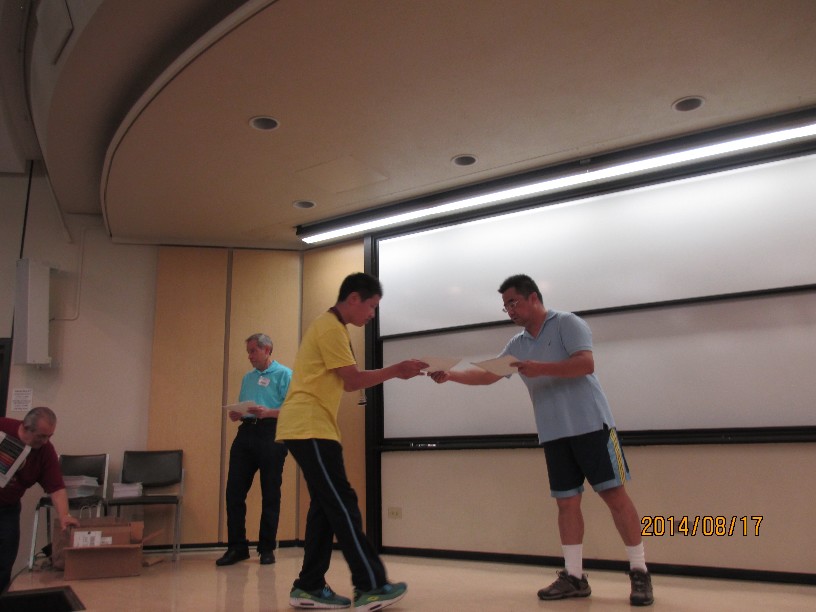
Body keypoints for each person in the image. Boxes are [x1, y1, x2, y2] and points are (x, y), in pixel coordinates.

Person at [430, 274, 654, 606]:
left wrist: (542, 368)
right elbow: (487, 375)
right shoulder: (517, 344)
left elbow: (586, 364)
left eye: (513, 302)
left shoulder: (566, 323)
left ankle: (639, 571)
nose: (509, 310)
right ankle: (574, 576)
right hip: (554, 434)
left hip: (593, 426)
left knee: (615, 496)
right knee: (566, 504)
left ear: (533, 297)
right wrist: (450, 375)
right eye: (505, 306)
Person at [276, 272, 427, 611]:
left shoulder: (332, 328)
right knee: (342, 503)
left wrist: (395, 371)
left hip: (311, 427)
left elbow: (346, 383)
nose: (372, 315)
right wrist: (396, 370)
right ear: (354, 298)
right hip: (309, 427)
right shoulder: (330, 327)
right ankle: (370, 586)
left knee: (325, 508)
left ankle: (309, 586)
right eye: (371, 306)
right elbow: (354, 380)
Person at [217, 333, 292, 567]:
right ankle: (237, 547)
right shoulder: (248, 378)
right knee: (234, 492)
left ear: (267, 350)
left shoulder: (285, 374)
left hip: (272, 433)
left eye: (253, 351)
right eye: (248, 352)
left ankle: (266, 548)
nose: (249, 356)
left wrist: (268, 412)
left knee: (270, 492)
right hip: (246, 433)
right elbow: (246, 407)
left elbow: (294, 409)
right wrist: (238, 414)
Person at [0, 406, 79, 593]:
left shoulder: (45, 451)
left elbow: (56, 488)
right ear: (26, 427)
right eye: (41, 436)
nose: (45, 441)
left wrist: (64, 515)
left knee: (4, 561)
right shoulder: (3, 427)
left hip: (7, 510)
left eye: (49, 436)